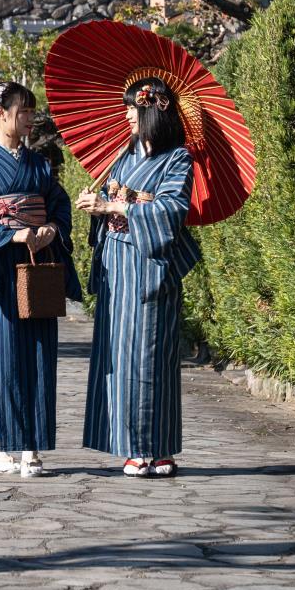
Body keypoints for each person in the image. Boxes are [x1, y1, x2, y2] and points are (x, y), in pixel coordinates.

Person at [0, 82, 80, 477]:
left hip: (36, 264)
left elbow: (57, 206)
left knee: (41, 354)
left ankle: (32, 448)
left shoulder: (39, 165)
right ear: (2, 113)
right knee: (2, 355)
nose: (29, 118)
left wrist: (52, 231)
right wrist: (11, 234)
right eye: (23, 110)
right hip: (1, 270)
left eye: (31, 110)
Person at [77, 77, 199, 477]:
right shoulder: (123, 155)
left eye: (134, 107)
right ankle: (131, 446)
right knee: (118, 356)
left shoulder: (177, 159)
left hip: (150, 265)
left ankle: (157, 448)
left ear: (152, 112)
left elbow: (171, 211)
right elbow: (113, 206)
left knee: (150, 357)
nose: (127, 114)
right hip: (117, 262)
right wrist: (96, 206)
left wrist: (114, 205)